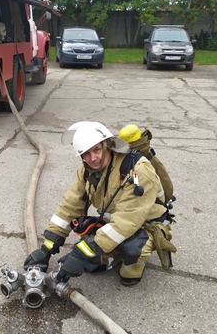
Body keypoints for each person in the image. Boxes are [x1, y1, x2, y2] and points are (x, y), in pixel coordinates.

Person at [24, 121, 176, 286]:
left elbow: (126, 221)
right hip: (116, 222)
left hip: (146, 225)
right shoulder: (86, 170)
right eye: (86, 154)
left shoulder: (137, 171)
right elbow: (70, 206)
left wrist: (82, 252)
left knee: (132, 250)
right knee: (91, 265)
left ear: (108, 146)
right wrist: (47, 247)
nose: (93, 159)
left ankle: (135, 263)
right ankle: (112, 254)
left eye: (97, 150)